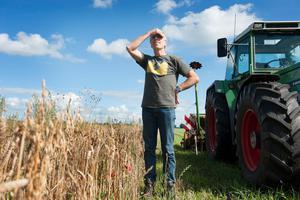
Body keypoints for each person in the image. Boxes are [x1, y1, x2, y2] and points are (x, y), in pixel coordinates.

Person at [126, 28, 199, 197]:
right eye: (154, 38)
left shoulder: (174, 60)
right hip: (148, 109)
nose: (157, 39)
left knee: (168, 149)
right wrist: (148, 33)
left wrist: (178, 88)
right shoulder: (148, 61)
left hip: (167, 108)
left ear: (165, 42)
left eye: (160, 37)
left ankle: (169, 186)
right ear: (151, 42)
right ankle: (149, 186)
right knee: (149, 149)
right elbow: (130, 48)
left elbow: (194, 77)